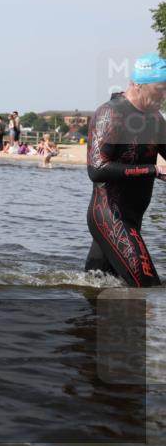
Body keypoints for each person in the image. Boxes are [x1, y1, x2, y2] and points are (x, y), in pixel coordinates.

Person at [84, 52, 166, 287]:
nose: (165, 95)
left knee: (96, 291)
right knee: (150, 290)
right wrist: (153, 171)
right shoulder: (111, 113)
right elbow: (97, 169)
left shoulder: (155, 119)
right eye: (161, 89)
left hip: (132, 217)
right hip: (111, 216)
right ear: (139, 84)